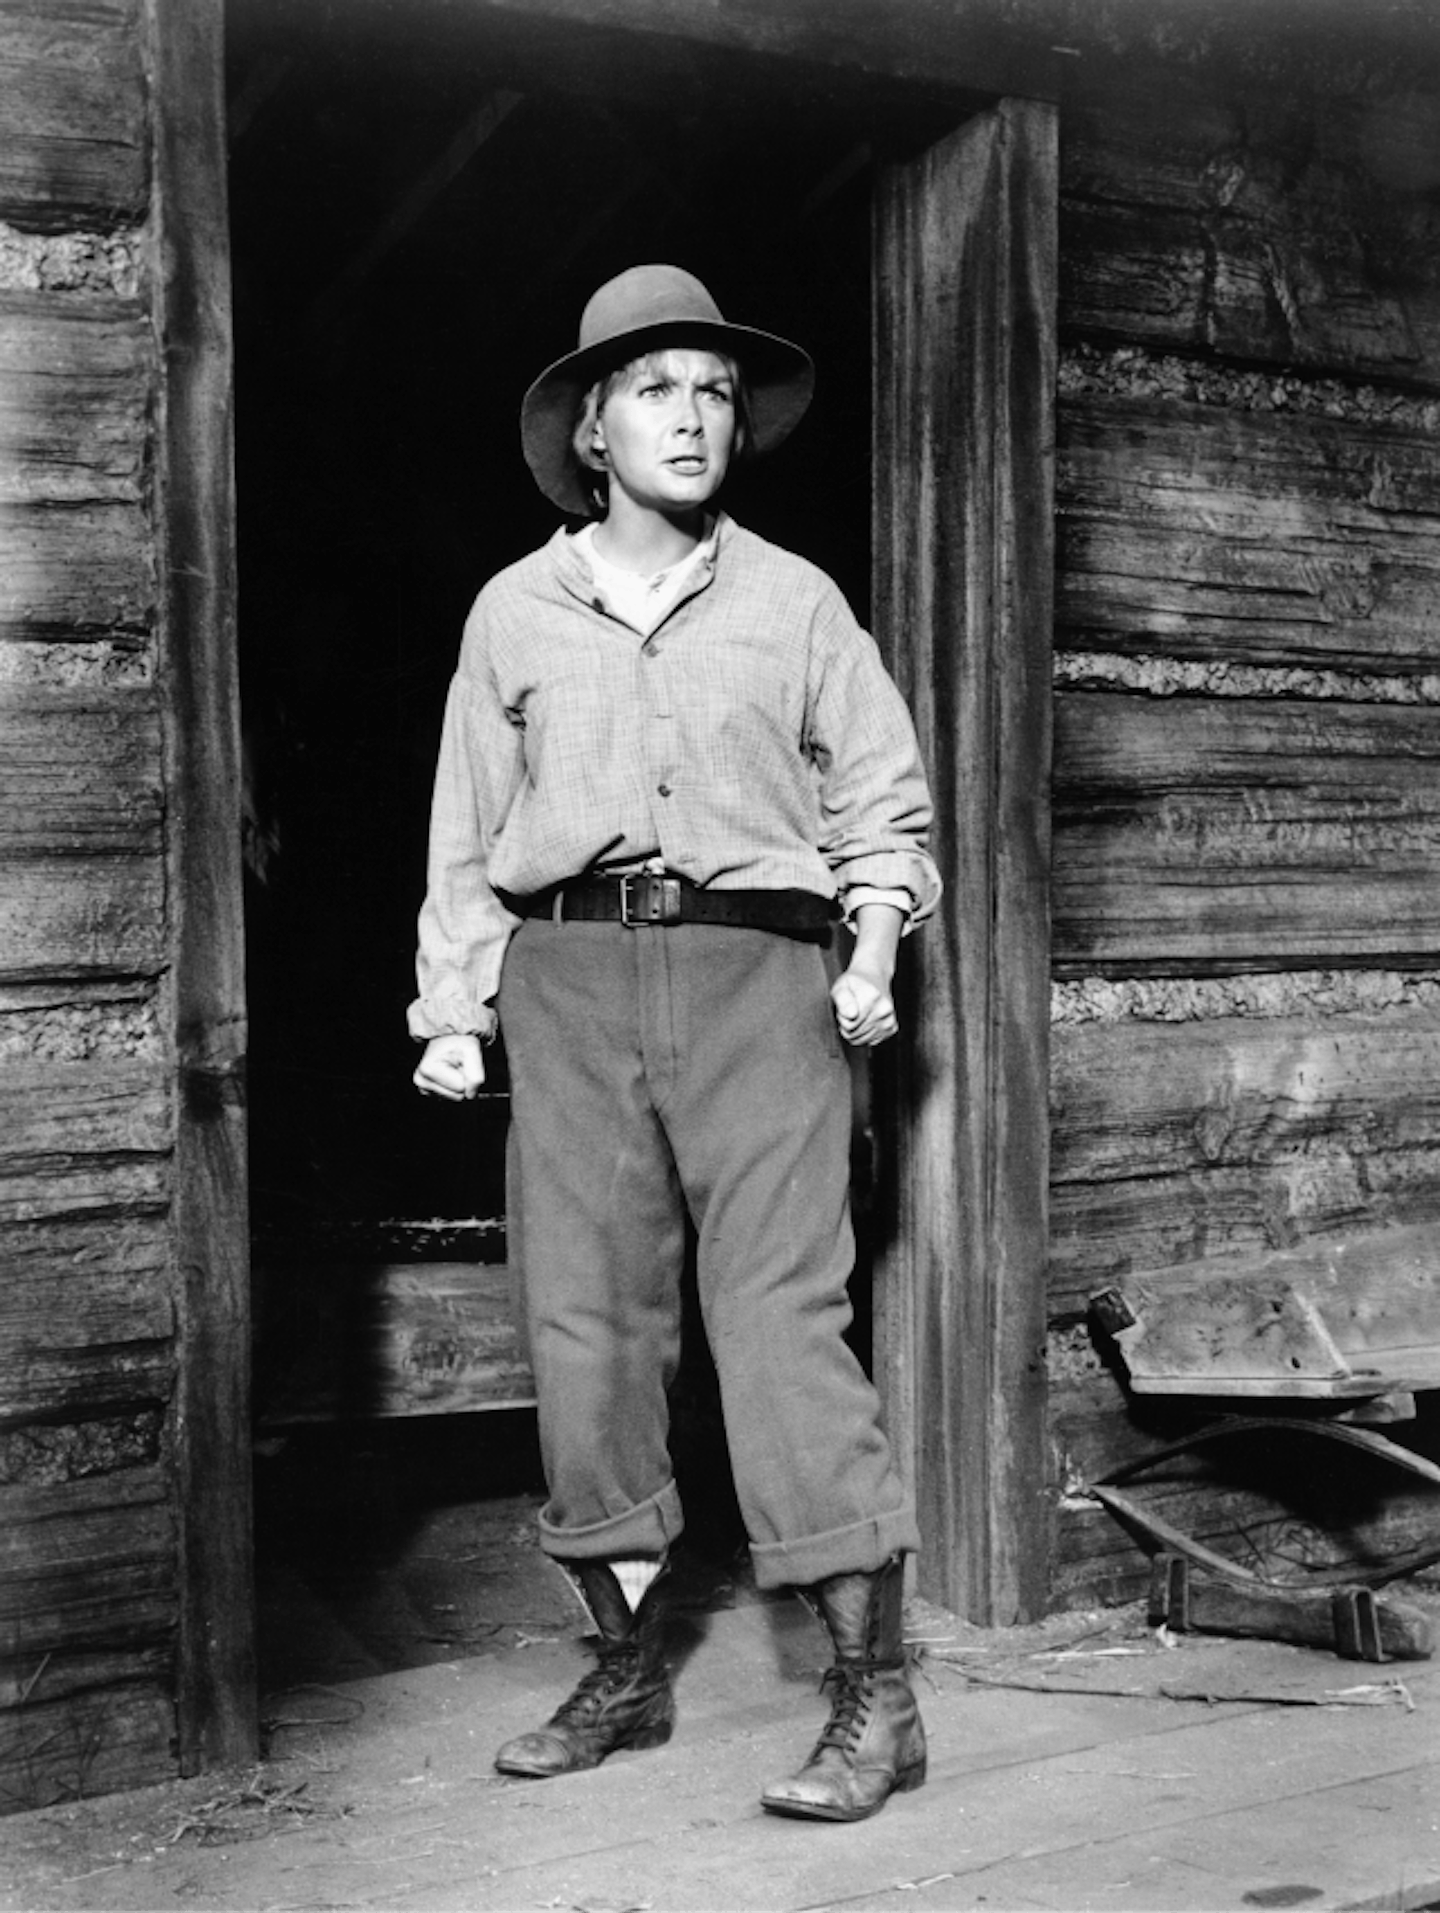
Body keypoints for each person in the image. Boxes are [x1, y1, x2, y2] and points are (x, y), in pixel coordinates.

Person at [409, 264, 941, 1823]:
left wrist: (875, 942)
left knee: (781, 1322)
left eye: (713, 392)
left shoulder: (795, 604)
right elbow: (466, 836)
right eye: (656, 390)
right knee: (585, 1326)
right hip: (566, 986)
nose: (692, 418)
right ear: (591, 428)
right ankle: (628, 1669)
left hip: (758, 981)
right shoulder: (513, 610)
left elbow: (884, 807)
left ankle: (874, 1700)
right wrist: (454, 1006)